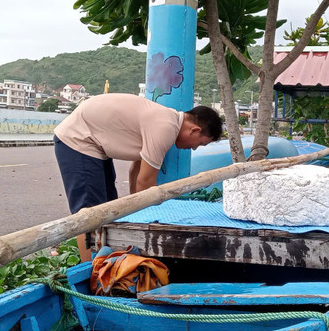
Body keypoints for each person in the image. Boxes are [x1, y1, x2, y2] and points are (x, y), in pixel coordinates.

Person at [53, 93, 223, 255]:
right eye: (200, 144)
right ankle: (92, 274)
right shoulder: (165, 127)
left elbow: (135, 171)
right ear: (194, 130)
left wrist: (135, 215)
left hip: (94, 143)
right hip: (78, 139)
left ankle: (104, 263)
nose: (193, 148)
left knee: (108, 209)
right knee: (90, 216)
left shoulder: (166, 119)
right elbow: (145, 184)